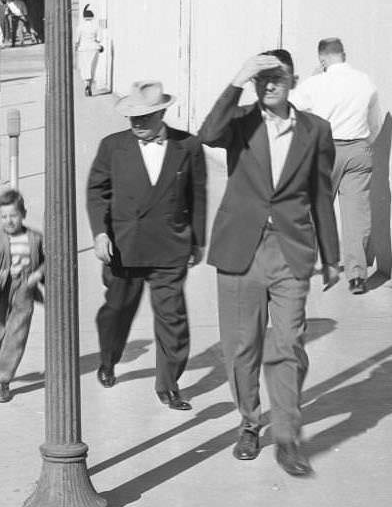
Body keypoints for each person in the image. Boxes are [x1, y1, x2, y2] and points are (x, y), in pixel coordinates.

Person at [199, 50, 339, 477]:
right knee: (242, 346)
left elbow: (320, 194)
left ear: (293, 79)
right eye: (261, 77)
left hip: (291, 249)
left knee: (288, 344)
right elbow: (207, 133)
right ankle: (248, 421)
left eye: (276, 76)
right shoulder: (240, 122)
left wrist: (332, 257)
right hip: (242, 247)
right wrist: (237, 78)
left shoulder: (316, 130)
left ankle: (287, 436)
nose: (268, 83)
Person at [86, 81, 207, 409]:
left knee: (172, 318)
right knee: (117, 310)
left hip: (170, 247)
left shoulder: (188, 146)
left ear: (162, 112)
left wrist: (197, 241)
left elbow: (197, 194)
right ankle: (109, 359)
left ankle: (168, 384)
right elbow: (97, 192)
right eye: (132, 117)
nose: (137, 123)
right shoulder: (112, 147)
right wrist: (100, 233)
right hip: (124, 248)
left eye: (145, 116)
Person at [290, 38, 383, 294]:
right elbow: (374, 122)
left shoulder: (316, 83)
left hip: (325, 150)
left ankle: (305, 267)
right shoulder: (365, 81)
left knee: (314, 211)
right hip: (359, 149)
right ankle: (357, 276)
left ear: (322, 59)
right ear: (344, 54)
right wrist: (366, 143)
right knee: (357, 216)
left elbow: (291, 108)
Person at [0, 188, 45, 402]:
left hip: (24, 288)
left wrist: (38, 274)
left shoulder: (35, 238)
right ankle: (2, 358)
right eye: (4, 216)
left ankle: (3, 380)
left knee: (16, 334)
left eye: (13, 215)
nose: (9, 221)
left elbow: (46, 260)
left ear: (23, 214)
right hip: (0, 289)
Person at [76, 6, 102, 96]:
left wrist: (76, 46)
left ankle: (86, 84)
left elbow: (77, 40)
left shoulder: (80, 27)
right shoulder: (96, 27)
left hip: (83, 48)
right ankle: (89, 85)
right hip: (94, 48)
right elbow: (99, 39)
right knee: (92, 67)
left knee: (84, 67)